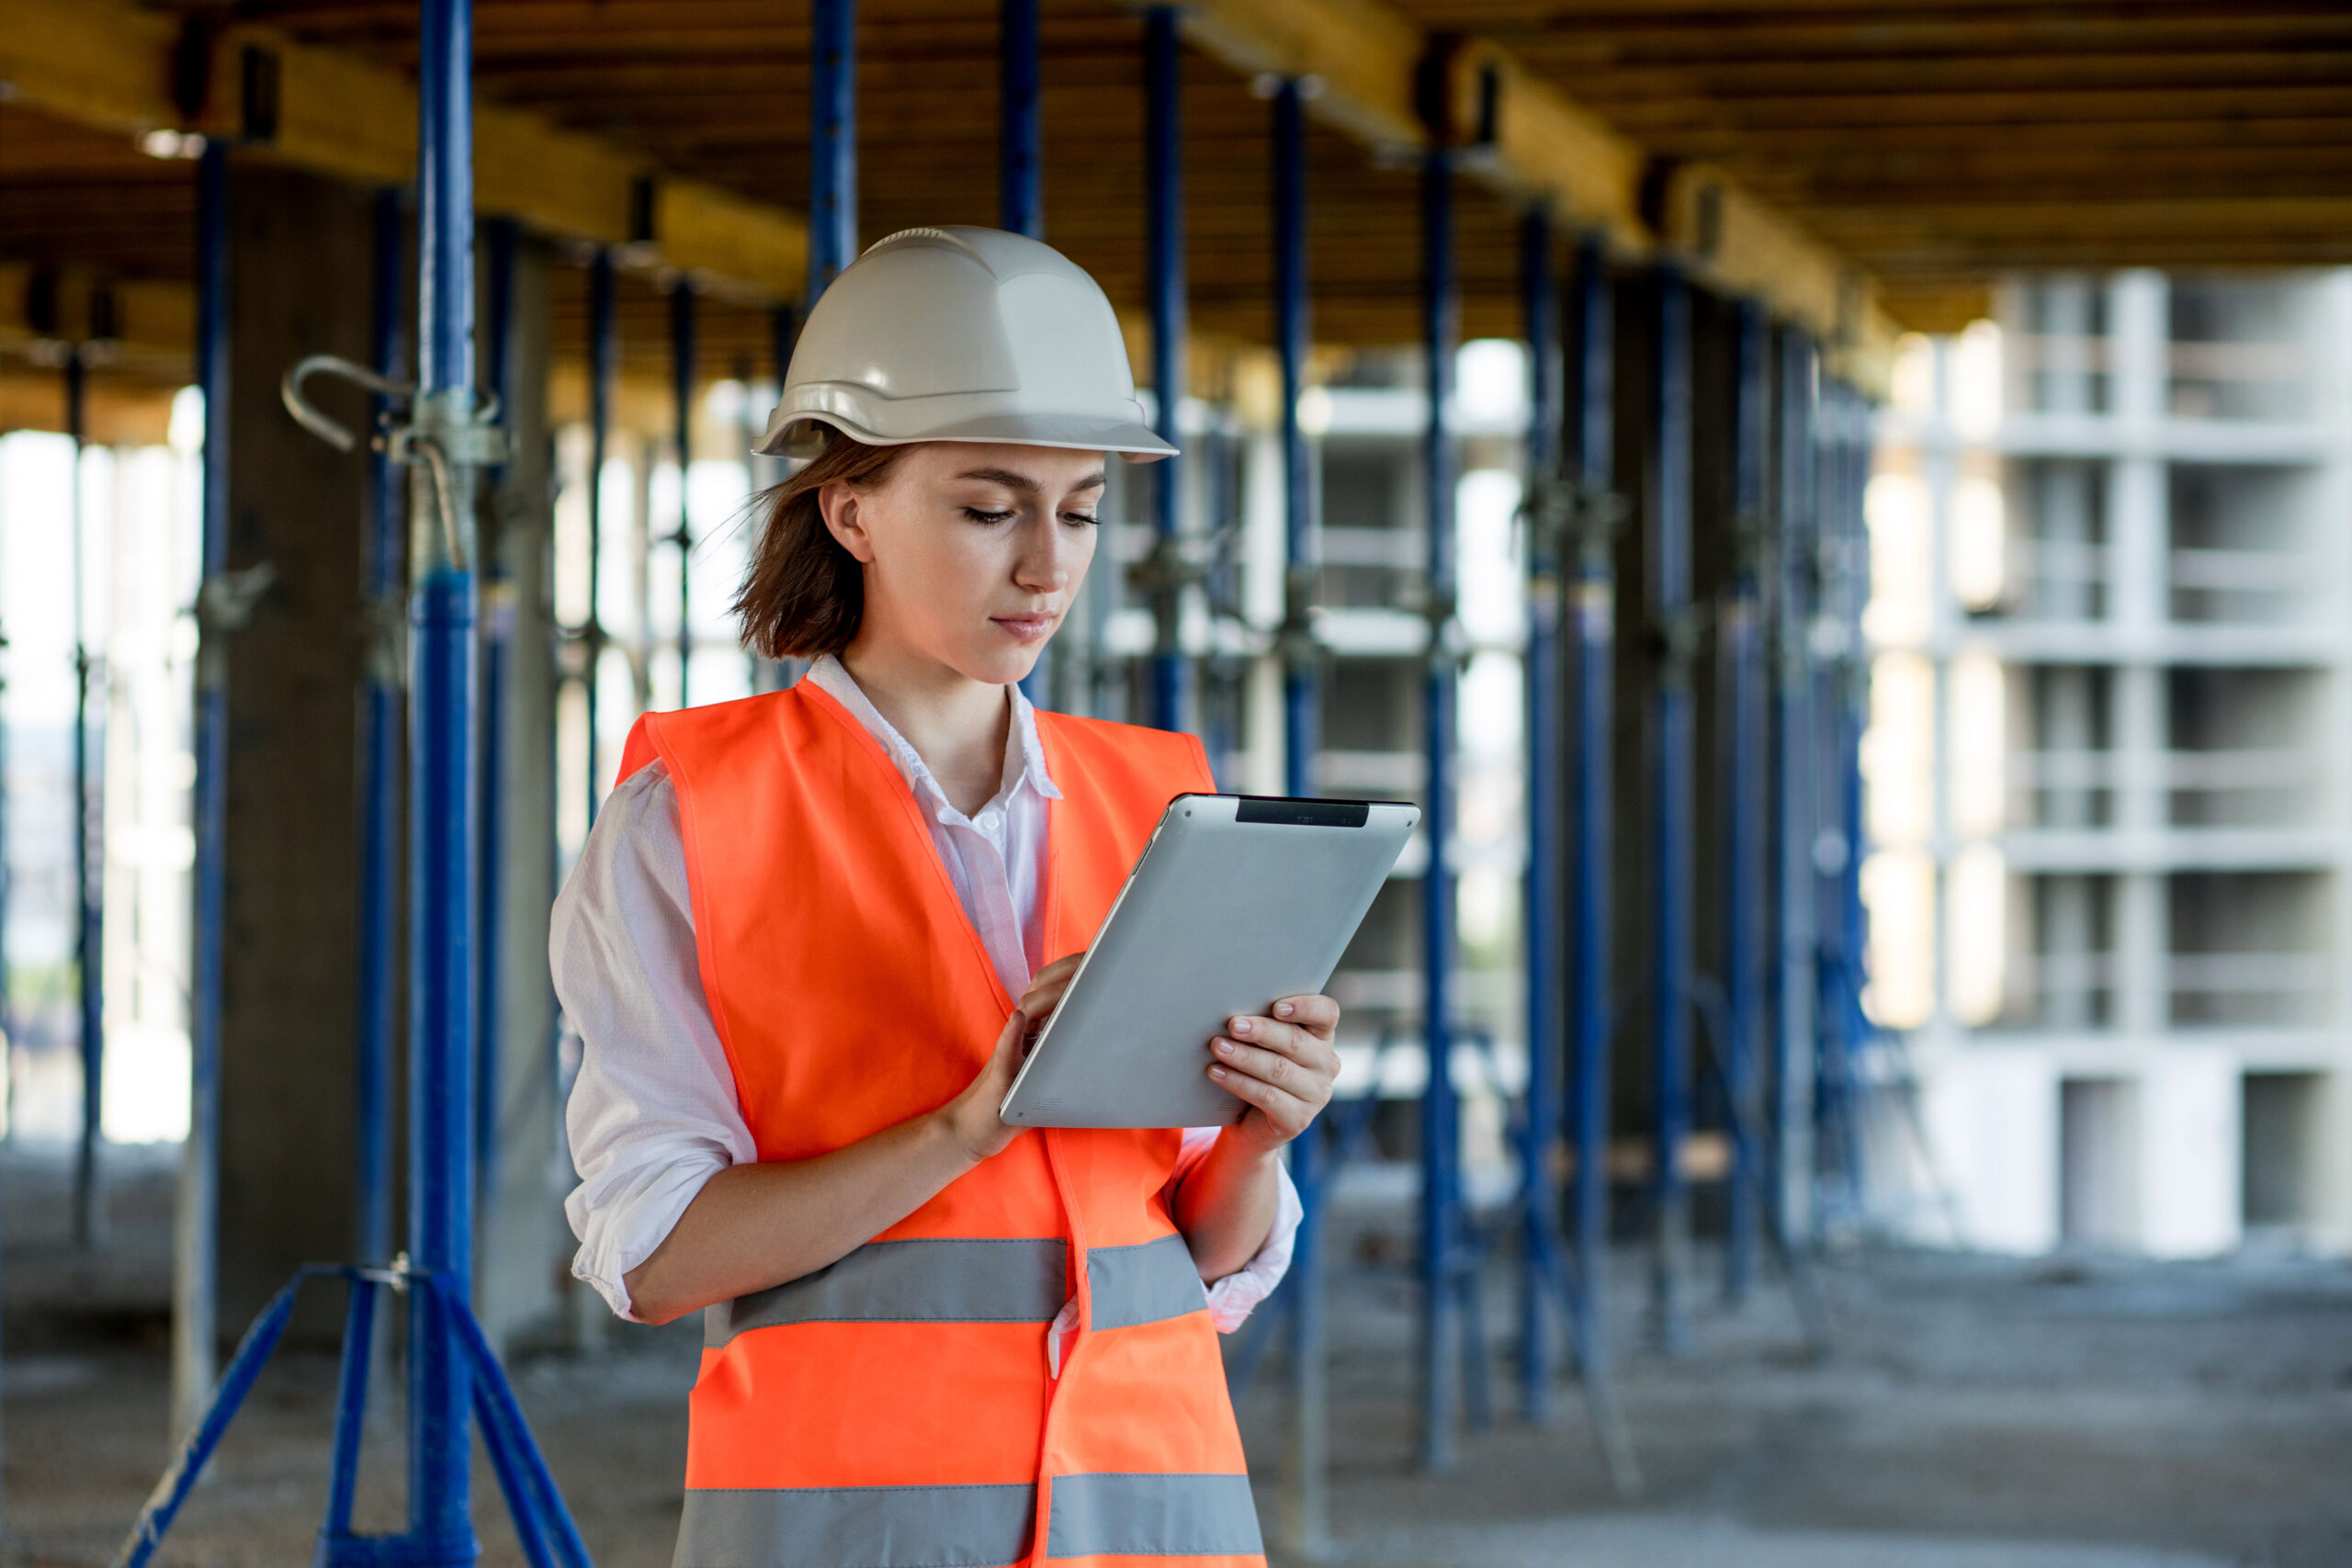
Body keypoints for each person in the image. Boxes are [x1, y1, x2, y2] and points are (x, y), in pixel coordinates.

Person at [554, 226, 1340, 1568]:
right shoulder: (688, 822)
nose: (1048, 565)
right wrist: (966, 1129)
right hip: (850, 1527)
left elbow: (1199, 1265)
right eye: (989, 509)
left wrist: (1264, 1135)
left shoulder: (1167, 810)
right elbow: (658, 1255)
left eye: (1081, 508)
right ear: (849, 510)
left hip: (1153, 1517)